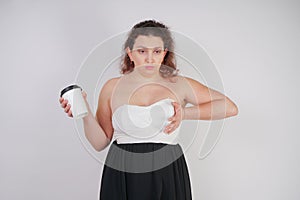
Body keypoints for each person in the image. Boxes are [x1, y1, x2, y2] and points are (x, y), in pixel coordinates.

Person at [59, 19, 238, 200]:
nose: (150, 58)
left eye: (157, 51)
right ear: (130, 52)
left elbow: (229, 107)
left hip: (167, 170)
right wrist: (85, 113)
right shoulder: (112, 87)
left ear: (164, 53)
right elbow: (99, 143)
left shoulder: (180, 84)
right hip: (122, 172)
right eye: (142, 51)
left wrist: (184, 113)